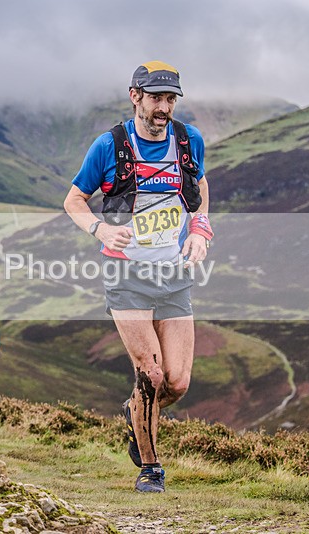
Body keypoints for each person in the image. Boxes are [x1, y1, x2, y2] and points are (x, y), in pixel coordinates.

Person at [63, 61, 213, 493]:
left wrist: (200, 231)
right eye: (155, 98)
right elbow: (74, 200)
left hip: (174, 273)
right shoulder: (109, 146)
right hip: (126, 274)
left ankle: (136, 414)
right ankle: (150, 468)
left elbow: (200, 188)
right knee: (150, 375)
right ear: (135, 96)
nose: (163, 107)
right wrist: (101, 228)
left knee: (177, 382)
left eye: (170, 99)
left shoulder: (188, 141)